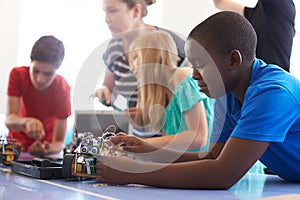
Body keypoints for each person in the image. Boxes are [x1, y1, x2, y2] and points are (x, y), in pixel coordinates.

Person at [95, 11, 300, 189]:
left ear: (233, 60)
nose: (193, 75)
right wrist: (147, 152)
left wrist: (134, 173)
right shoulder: (227, 94)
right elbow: (212, 156)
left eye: (200, 65)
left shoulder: (273, 92)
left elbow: (223, 173)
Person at [125, 30, 214, 151]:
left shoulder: (183, 80)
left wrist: (140, 142)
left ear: (154, 54)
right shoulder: (168, 91)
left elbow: (198, 137)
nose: (132, 67)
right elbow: (170, 141)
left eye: (135, 57)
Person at [94, 0, 187, 109]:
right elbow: (109, 87)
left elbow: (194, 90)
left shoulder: (169, 43)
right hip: (133, 125)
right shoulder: (114, 48)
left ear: (136, 11)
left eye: (112, 11)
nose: (107, 19)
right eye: (105, 12)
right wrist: (105, 91)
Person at [5, 35, 71, 157]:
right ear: (30, 63)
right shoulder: (17, 75)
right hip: (15, 149)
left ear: (57, 69)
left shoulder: (62, 88)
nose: (40, 79)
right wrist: (27, 121)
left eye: (48, 74)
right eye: (35, 71)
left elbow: (59, 142)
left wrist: (47, 150)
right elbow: (9, 119)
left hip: (45, 151)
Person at [212, 0, 296, 72]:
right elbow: (220, 3)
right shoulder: (259, 14)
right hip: (260, 81)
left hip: (274, 82)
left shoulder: (281, 4)